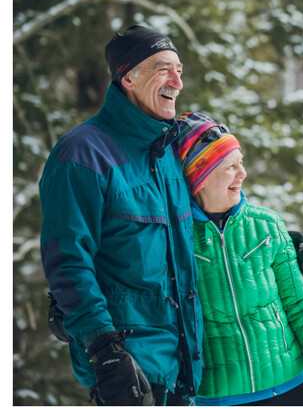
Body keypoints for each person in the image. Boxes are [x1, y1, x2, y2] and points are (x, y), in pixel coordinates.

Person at [39, 25, 203, 405]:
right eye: (164, 69)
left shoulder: (169, 153)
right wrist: (105, 350)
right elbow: (68, 262)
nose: (177, 82)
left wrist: (274, 246)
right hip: (129, 375)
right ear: (128, 77)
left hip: (185, 373)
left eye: (179, 69)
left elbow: (203, 228)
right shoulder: (82, 154)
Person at [174, 112, 303, 406]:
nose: (242, 173)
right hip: (218, 398)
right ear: (199, 176)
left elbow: (299, 304)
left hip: (290, 388)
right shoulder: (175, 238)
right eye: (230, 166)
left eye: (240, 162)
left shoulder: (266, 225)